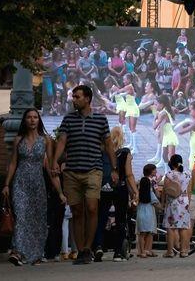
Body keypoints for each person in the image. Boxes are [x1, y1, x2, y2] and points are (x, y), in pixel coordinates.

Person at [53, 84, 116, 265]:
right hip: (72, 171)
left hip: (93, 170)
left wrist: (114, 168)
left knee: (91, 207)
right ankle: (80, 250)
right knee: (77, 211)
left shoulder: (100, 119)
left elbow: (109, 145)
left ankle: (88, 247)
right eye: (73, 97)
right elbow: (62, 141)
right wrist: (55, 162)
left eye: (77, 97)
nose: (74, 100)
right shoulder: (68, 119)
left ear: (87, 99)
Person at [3, 107, 63, 266]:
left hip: (37, 183)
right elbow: (13, 163)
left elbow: (50, 168)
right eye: (29, 117)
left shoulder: (46, 140)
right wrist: (7, 184)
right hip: (20, 182)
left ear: (38, 120)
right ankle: (17, 252)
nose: (32, 120)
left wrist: (60, 192)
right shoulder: (18, 140)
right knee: (21, 216)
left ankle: (36, 253)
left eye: (35, 117)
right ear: (25, 120)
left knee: (37, 219)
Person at [109, 128, 137, 261]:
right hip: (120, 188)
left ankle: (96, 248)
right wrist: (135, 192)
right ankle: (118, 252)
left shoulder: (105, 151)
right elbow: (128, 174)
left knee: (102, 218)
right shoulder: (125, 152)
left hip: (104, 188)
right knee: (120, 219)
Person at [162, 153, 191, 257]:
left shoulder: (169, 174)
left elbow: (165, 190)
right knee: (183, 227)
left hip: (172, 202)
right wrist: (189, 202)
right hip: (184, 201)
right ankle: (183, 251)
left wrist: (163, 203)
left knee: (170, 227)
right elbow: (189, 190)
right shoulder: (187, 174)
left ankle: (170, 251)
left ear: (171, 163)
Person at [136, 163, 158, 258]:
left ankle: (146, 250)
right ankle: (143, 250)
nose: (156, 171)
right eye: (154, 170)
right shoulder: (148, 181)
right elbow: (153, 195)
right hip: (147, 207)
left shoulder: (146, 181)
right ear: (150, 171)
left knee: (147, 231)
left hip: (146, 207)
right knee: (145, 231)